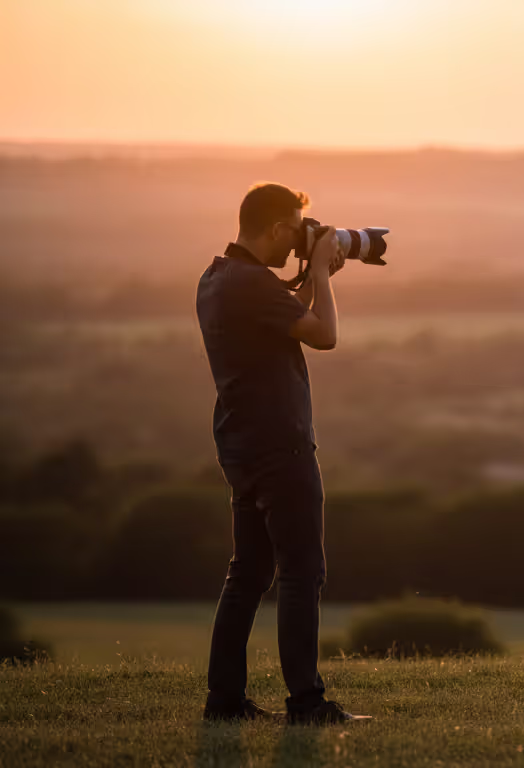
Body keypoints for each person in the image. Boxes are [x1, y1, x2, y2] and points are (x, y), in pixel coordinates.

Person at [195, 182, 369, 724]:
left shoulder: (218, 278)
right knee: (302, 573)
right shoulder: (250, 283)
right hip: (281, 446)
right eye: (295, 230)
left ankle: (224, 701)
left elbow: (279, 316)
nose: (298, 241)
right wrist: (318, 274)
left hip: (241, 447)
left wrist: (317, 277)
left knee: (247, 574)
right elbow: (324, 336)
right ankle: (307, 703)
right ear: (274, 228)